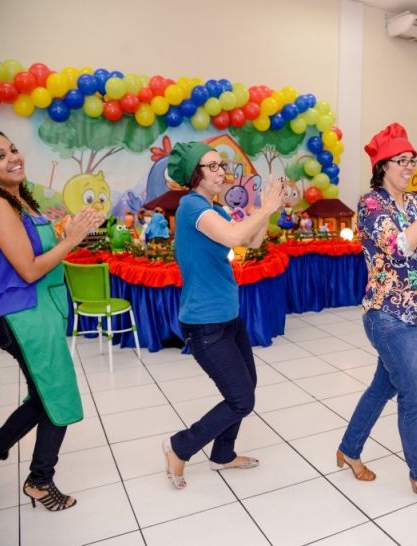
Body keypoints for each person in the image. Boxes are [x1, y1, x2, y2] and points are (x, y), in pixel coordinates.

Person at [337, 123, 417, 508]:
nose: (410, 167)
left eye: (413, 160)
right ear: (382, 166)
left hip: (415, 312)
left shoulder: (412, 203)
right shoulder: (370, 203)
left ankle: (348, 449)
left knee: (384, 386)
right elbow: (399, 248)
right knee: (415, 396)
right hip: (387, 315)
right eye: (402, 161)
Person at [0, 128, 104, 511]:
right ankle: (39, 479)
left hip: (38, 313)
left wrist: (70, 230)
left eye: (13, 149)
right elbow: (29, 270)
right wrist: (72, 239)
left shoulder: (18, 200)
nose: (13, 157)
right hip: (21, 316)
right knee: (58, 395)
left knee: (40, 398)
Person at [160, 142, 283, 489]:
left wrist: (266, 209)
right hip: (205, 323)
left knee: (247, 388)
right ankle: (179, 447)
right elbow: (234, 235)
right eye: (211, 166)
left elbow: (251, 241)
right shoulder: (191, 207)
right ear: (194, 174)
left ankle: (223, 454)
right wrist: (265, 208)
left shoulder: (213, 209)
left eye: (221, 165)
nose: (220, 172)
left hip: (228, 316)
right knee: (241, 398)